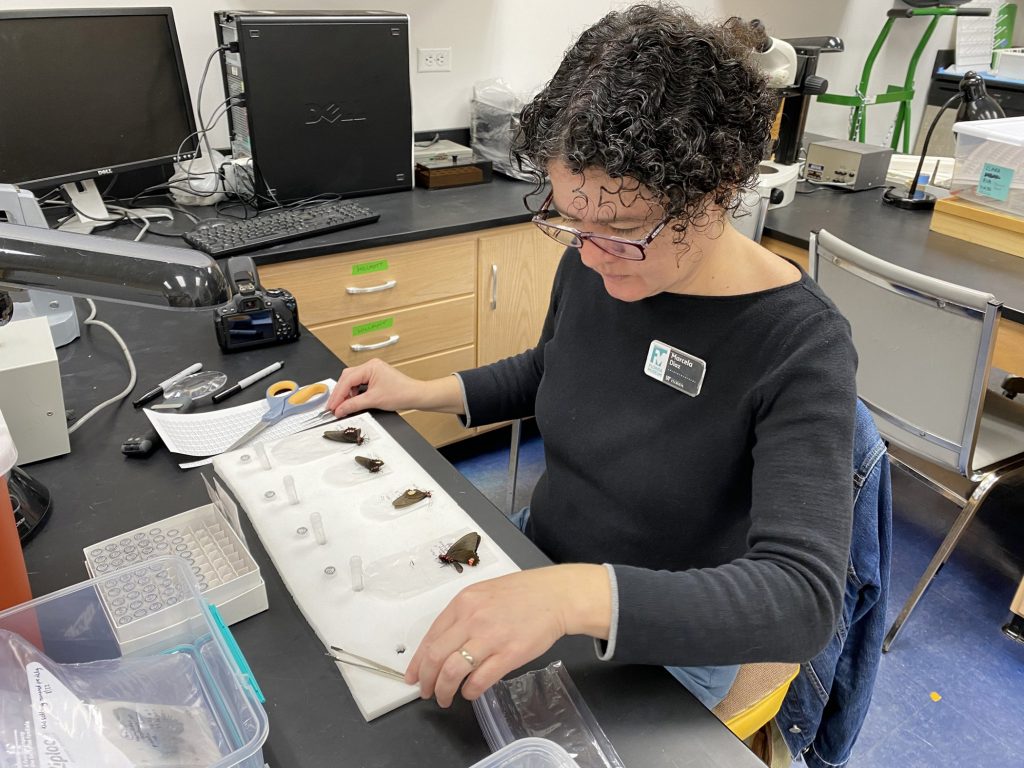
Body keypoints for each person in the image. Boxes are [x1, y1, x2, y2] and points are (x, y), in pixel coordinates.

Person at [326, 2, 857, 726]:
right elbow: (555, 367)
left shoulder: (799, 344)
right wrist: (418, 390)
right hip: (540, 558)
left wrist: (577, 596)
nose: (590, 252)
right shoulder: (599, 261)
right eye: (569, 220)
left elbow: (803, 601)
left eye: (623, 230)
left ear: (721, 192)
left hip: (660, 640)